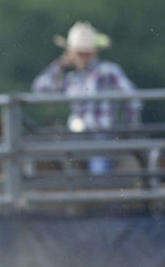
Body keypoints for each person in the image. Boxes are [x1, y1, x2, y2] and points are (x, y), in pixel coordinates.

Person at [31, 21, 142, 174]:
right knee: (49, 160)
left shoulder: (108, 71)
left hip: (101, 135)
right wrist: (60, 64)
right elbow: (40, 87)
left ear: (95, 52)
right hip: (75, 135)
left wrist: (131, 128)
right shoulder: (71, 78)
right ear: (70, 53)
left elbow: (133, 97)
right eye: (78, 52)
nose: (82, 57)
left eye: (86, 52)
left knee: (98, 168)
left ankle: (97, 193)